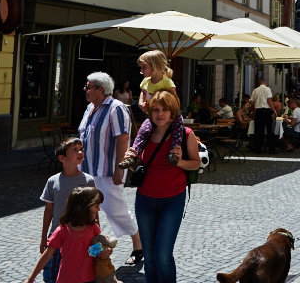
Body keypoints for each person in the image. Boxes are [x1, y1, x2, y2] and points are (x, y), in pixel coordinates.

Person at [121, 91, 203, 283]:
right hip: (145, 200)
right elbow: (140, 166)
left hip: (172, 201)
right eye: (156, 109)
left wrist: (180, 161)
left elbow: (196, 164)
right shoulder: (145, 133)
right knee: (149, 258)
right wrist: (130, 159)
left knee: (163, 256)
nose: (160, 114)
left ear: (173, 111)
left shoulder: (185, 134)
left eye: (165, 109)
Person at [78, 72, 143, 266]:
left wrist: (119, 168)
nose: (85, 89)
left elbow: (122, 138)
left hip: (107, 169)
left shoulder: (116, 108)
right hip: (87, 169)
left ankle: (139, 246)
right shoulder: (90, 107)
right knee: (89, 212)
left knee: (115, 210)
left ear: (100, 89)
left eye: (88, 86)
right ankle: (94, 248)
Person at [37, 137, 95, 283]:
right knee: (50, 274)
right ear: (62, 158)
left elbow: (93, 210)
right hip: (56, 235)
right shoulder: (53, 181)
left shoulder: (88, 181)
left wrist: (95, 236)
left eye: (81, 149)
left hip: (79, 236)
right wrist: (44, 237)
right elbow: (48, 210)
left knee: (75, 273)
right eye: (74, 150)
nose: (80, 152)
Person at [25, 186, 109, 283]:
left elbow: (100, 247)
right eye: (96, 206)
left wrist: (107, 250)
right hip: (66, 279)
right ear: (84, 208)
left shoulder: (93, 228)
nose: (99, 210)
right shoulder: (62, 231)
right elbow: (47, 255)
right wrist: (30, 279)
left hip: (90, 279)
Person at [129, 50, 185, 166]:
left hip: (170, 116)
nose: (141, 70)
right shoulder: (145, 81)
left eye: (144, 67)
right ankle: (134, 154)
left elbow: (175, 100)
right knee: (142, 132)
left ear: (155, 66)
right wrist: (141, 102)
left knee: (178, 131)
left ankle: (173, 153)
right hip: (152, 116)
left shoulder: (167, 82)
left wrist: (172, 114)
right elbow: (143, 93)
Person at [250, 78, 276, 152]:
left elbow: (252, 102)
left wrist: (254, 111)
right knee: (269, 130)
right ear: (265, 83)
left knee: (258, 131)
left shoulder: (255, 90)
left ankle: (258, 148)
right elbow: (269, 100)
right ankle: (271, 149)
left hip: (258, 112)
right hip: (266, 111)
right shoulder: (267, 89)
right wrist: (274, 110)